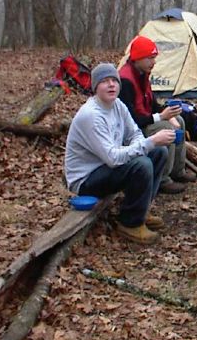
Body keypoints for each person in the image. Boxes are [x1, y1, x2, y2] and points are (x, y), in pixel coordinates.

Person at [65, 63, 176, 244]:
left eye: (114, 81)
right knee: (142, 163)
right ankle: (130, 223)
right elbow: (113, 158)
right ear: (95, 88)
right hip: (86, 179)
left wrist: (148, 144)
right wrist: (150, 142)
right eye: (105, 82)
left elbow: (134, 133)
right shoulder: (91, 116)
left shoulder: (117, 105)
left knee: (159, 152)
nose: (111, 85)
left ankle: (142, 209)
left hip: (106, 167)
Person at [119, 35, 194, 194]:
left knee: (179, 120)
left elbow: (152, 104)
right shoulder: (125, 81)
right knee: (166, 127)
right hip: (135, 131)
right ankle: (162, 179)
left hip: (145, 121)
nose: (154, 63)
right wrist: (161, 117)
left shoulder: (142, 75)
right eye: (150, 58)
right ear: (138, 58)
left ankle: (177, 170)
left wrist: (169, 113)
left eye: (154, 58)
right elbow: (131, 121)